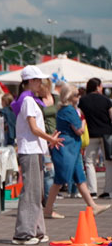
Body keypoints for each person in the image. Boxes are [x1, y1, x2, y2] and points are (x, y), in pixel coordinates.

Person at [13, 66, 63, 245]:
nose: (41, 83)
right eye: (38, 80)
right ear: (31, 81)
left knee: (37, 191)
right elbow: (34, 128)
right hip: (30, 150)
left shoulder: (29, 100)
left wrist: (48, 140)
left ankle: (37, 229)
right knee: (31, 192)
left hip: (34, 149)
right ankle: (23, 232)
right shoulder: (27, 100)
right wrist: (50, 138)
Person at [44, 84, 110, 217]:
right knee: (60, 180)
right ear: (70, 97)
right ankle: (48, 210)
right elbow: (79, 130)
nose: (78, 97)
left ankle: (93, 206)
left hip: (70, 148)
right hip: (67, 148)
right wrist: (84, 121)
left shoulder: (64, 109)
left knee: (79, 178)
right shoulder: (70, 110)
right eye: (76, 95)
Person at [78, 77, 112, 199]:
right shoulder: (106, 100)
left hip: (90, 134)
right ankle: (108, 191)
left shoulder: (83, 100)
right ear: (97, 87)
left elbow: (81, 116)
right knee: (109, 162)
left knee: (89, 162)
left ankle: (92, 190)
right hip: (106, 134)